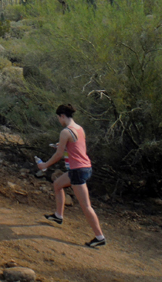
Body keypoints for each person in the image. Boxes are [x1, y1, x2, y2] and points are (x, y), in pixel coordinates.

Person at [38, 103, 106, 248]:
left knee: (86, 205)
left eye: (58, 118)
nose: (59, 121)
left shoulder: (65, 132)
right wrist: (61, 145)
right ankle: (58, 215)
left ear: (62, 116)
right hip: (85, 167)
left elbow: (58, 155)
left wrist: (45, 165)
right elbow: (76, 148)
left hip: (77, 171)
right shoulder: (79, 129)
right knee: (57, 184)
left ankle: (99, 237)